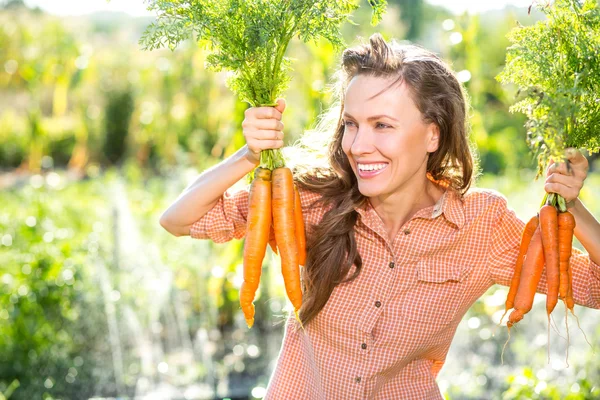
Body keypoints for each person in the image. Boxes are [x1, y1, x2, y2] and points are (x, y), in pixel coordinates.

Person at [159, 33, 600, 399]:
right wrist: (248, 155)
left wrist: (570, 203)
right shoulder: (310, 201)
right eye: (351, 123)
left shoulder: (479, 226)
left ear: (432, 133)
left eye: (382, 125)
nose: (357, 144)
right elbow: (178, 220)